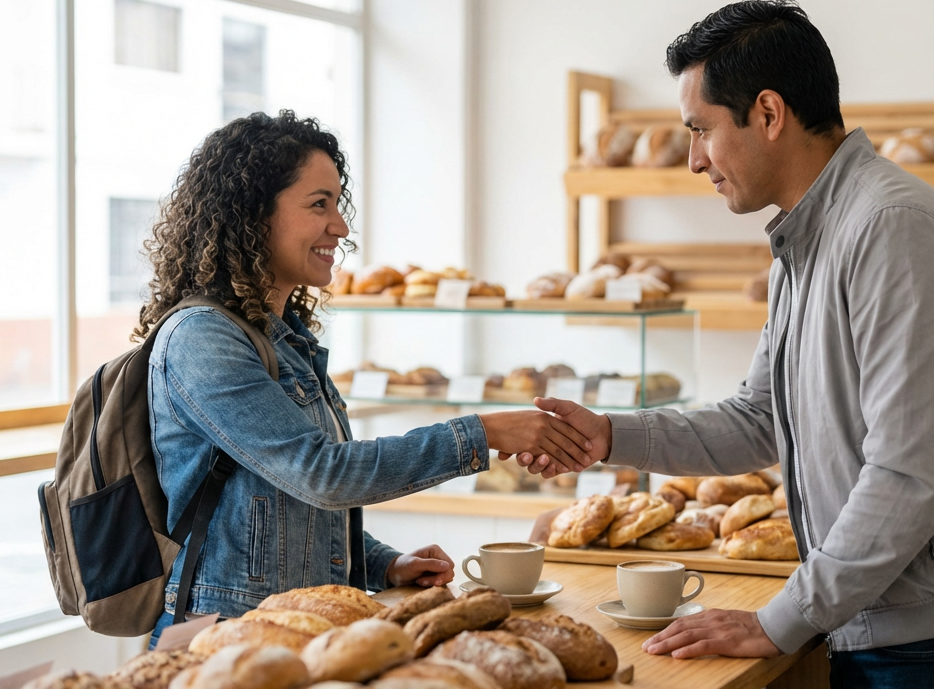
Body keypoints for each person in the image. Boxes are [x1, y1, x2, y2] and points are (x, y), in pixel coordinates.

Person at [512, 0, 934, 689]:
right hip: (897, 627)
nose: (696, 158)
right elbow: (758, 418)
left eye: (701, 130)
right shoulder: (810, 237)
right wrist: (607, 435)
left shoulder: (891, 229)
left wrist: (780, 620)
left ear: (767, 113)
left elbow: (911, 473)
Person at [141, 110, 596, 646]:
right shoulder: (203, 339)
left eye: (338, 204)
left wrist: (382, 563)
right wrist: (484, 432)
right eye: (319, 204)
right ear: (251, 215)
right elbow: (322, 474)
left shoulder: (284, 337)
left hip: (299, 628)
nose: (340, 226)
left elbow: (287, 503)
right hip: (224, 641)